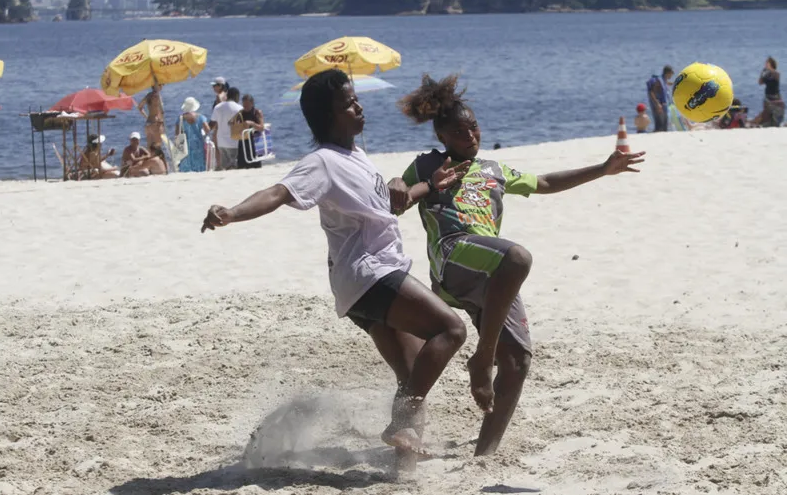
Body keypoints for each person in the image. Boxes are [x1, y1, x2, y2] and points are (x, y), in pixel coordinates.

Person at [201, 69, 471, 460]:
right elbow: (279, 192)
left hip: (366, 280)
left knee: (413, 374)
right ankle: (401, 425)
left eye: (356, 99)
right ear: (329, 116)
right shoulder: (323, 162)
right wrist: (232, 212)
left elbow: (389, 206)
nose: (359, 106)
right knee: (451, 329)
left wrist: (430, 185)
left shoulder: (355, 155)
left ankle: (405, 468)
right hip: (371, 274)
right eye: (349, 103)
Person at [393, 74, 645, 456]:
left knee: (518, 361)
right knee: (517, 257)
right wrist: (397, 181)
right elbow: (399, 196)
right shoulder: (429, 163)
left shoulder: (493, 169)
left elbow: (544, 182)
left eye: (474, 127)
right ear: (442, 137)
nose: (471, 136)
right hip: (453, 256)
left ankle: (485, 454)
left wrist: (602, 168)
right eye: (460, 132)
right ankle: (481, 361)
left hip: (492, 275)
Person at [210, 87, 243, 171]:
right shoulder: (239, 108)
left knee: (225, 166)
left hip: (221, 142)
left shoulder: (217, 107)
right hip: (234, 142)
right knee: (235, 166)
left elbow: (212, 124)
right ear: (236, 96)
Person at [176, 97, 211, 173]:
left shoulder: (180, 118)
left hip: (185, 144)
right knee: (199, 163)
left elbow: (177, 133)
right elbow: (207, 130)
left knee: (186, 165)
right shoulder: (201, 117)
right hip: (198, 143)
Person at [753, 57, 784, 127]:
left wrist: (769, 70)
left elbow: (774, 76)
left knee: (770, 113)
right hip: (768, 97)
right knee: (766, 113)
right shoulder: (767, 74)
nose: (765, 64)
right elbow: (760, 82)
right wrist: (762, 73)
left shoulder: (776, 73)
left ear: (771, 64)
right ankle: (760, 122)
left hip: (776, 97)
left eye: (767, 63)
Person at [237, 94, 266, 170]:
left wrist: (252, 124)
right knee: (241, 166)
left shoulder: (257, 112)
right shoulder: (240, 113)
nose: (245, 106)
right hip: (243, 142)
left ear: (252, 103)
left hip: (254, 142)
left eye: (247, 104)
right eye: (244, 104)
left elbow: (262, 128)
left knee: (255, 165)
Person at [138, 84, 166, 157]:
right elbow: (162, 111)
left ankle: (151, 165)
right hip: (156, 123)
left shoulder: (148, 96)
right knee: (157, 146)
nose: (162, 86)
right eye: (160, 84)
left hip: (148, 123)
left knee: (149, 147)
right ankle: (158, 165)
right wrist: (161, 121)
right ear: (155, 86)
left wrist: (146, 116)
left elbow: (139, 107)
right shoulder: (157, 96)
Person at [647, 65, 674, 132]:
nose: (671, 76)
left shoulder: (663, 80)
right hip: (659, 105)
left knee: (664, 124)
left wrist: (672, 83)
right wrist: (657, 104)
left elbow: (665, 84)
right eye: (671, 74)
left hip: (663, 105)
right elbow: (651, 92)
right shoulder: (658, 81)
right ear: (668, 73)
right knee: (660, 124)